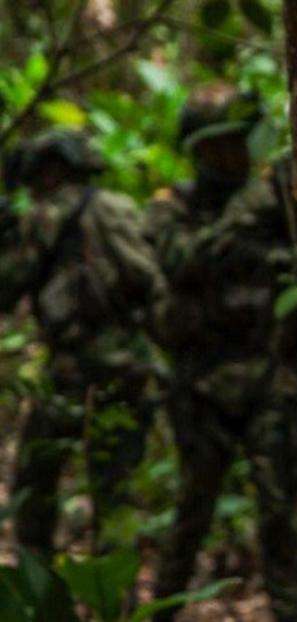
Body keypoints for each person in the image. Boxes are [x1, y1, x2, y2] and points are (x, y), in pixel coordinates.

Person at [146, 83, 297, 621]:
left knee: (282, 514)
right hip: (199, 383)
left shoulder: (276, 201)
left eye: (235, 143)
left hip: (266, 378)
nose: (228, 157)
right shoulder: (174, 206)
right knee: (192, 510)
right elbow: (181, 260)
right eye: (215, 147)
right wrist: (245, 217)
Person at [1, 129, 165, 555]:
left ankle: (39, 585)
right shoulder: (120, 208)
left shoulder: (44, 217)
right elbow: (153, 281)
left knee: (34, 484)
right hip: (130, 367)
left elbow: (7, 287)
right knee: (117, 493)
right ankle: (114, 591)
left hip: (71, 371)